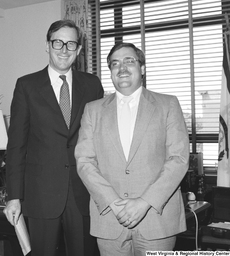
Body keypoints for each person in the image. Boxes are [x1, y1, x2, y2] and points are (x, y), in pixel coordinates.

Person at [75, 42, 189, 255]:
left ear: (142, 68)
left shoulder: (168, 105)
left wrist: (145, 202)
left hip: (157, 220)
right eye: (115, 63)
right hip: (109, 218)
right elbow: (84, 162)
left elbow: (178, 159)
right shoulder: (93, 110)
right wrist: (113, 203)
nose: (122, 68)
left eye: (129, 61)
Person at [3, 19, 104, 256]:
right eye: (58, 42)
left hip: (83, 193)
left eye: (71, 44)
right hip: (40, 194)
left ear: (79, 50)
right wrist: (14, 197)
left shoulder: (92, 85)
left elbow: (101, 140)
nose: (64, 49)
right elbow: (16, 145)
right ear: (47, 46)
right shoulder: (27, 86)